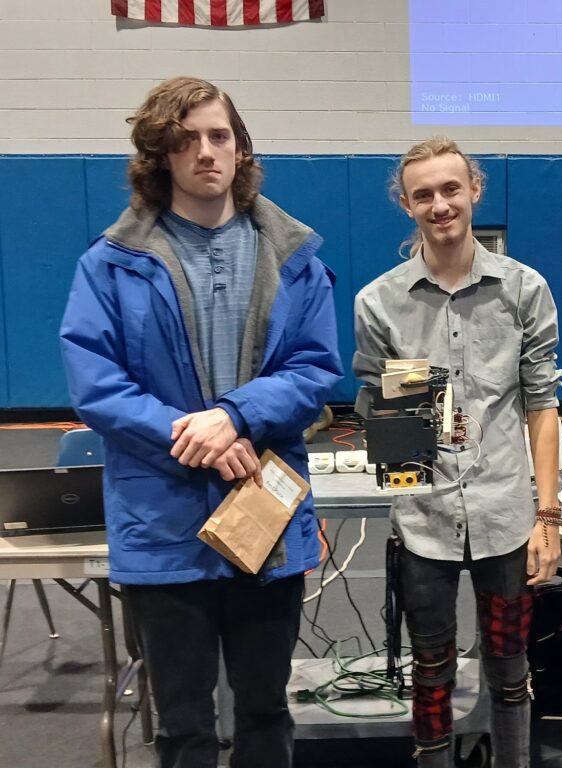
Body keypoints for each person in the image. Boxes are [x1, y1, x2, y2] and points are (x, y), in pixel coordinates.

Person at [59, 76, 343, 768]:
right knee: (182, 725)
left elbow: (315, 369)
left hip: (264, 526)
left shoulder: (293, 256)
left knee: (266, 711)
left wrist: (235, 416)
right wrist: (194, 435)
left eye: (221, 136)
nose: (206, 152)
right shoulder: (109, 264)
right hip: (163, 527)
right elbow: (97, 385)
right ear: (160, 156)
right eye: (186, 140)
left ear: (242, 149)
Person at [353, 136, 562, 768]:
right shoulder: (379, 302)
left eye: (451, 189)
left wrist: (546, 517)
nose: (439, 205)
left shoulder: (524, 290)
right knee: (431, 670)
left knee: (508, 667)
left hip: (505, 515)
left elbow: (541, 406)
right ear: (407, 205)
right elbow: (383, 407)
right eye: (424, 195)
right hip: (425, 520)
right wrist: (404, 432)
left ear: (474, 191)